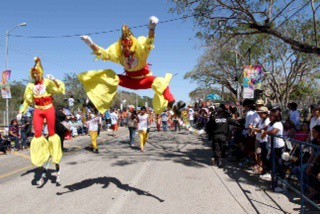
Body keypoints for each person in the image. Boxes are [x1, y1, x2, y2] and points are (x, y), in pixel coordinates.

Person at [79, 16, 183, 115]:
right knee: (110, 76)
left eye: (129, 46)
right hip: (130, 81)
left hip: (144, 80)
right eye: (124, 46)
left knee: (160, 81)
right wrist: (90, 43)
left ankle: (173, 104)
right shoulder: (120, 55)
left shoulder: (141, 52)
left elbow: (149, 42)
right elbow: (104, 54)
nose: (127, 49)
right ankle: (94, 102)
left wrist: (152, 28)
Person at [16, 57, 65, 187]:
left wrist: (54, 79)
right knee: (37, 135)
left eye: (38, 73)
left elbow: (59, 89)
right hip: (38, 110)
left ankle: (57, 168)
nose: (36, 75)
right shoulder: (30, 86)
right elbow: (26, 101)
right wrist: (21, 112)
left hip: (49, 109)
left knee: (52, 134)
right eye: (34, 74)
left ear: (41, 73)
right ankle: (41, 161)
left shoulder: (47, 83)